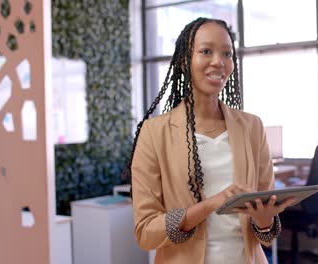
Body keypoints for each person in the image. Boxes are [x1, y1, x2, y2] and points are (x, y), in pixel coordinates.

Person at [122, 17, 295, 264]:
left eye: (227, 53)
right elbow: (145, 233)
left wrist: (265, 221)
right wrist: (211, 204)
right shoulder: (154, 133)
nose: (218, 62)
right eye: (206, 51)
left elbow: (267, 236)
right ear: (185, 60)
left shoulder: (252, 127)